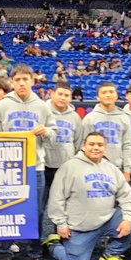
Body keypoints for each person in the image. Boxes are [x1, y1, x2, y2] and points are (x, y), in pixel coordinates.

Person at [0, 64, 54, 260]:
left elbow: (53, 134)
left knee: (36, 211)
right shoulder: (2, 106)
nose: (22, 83)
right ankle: (4, 252)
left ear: (33, 81)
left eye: (26, 79)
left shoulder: (42, 106)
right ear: (12, 82)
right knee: (7, 209)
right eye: (18, 80)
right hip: (9, 167)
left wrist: (46, 131)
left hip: (35, 166)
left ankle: (35, 253)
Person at [45, 132, 131, 260]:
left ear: (105, 148)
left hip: (107, 221)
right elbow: (56, 198)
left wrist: (128, 219)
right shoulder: (69, 167)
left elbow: (127, 197)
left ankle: (111, 253)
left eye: (100, 145)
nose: (96, 148)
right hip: (80, 228)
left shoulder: (112, 169)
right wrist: (61, 224)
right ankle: (53, 245)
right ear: (84, 146)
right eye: (91, 144)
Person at [44, 81, 83, 243]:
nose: (63, 97)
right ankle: (36, 241)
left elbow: (78, 142)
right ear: (52, 94)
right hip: (44, 166)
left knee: (64, 205)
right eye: (60, 94)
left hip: (65, 167)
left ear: (71, 98)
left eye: (66, 95)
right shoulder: (43, 110)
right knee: (40, 206)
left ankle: (60, 238)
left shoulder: (75, 117)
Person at [81, 82, 131, 181]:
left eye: (111, 92)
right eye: (104, 92)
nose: (108, 95)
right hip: (93, 167)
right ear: (98, 97)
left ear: (116, 96)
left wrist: (127, 170)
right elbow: (83, 146)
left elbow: (127, 146)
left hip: (117, 168)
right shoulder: (89, 118)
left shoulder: (124, 118)